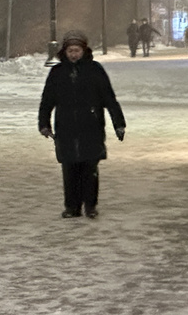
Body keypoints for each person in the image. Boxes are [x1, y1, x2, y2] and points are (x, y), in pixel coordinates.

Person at [38, 30, 126, 219]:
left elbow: (109, 98)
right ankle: (72, 207)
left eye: (77, 50)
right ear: (65, 51)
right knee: (69, 170)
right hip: (66, 127)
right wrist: (43, 123)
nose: (73, 54)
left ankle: (90, 206)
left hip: (90, 127)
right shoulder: (57, 72)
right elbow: (47, 100)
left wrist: (119, 123)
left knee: (89, 169)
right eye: (70, 51)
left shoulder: (95, 70)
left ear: (84, 51)